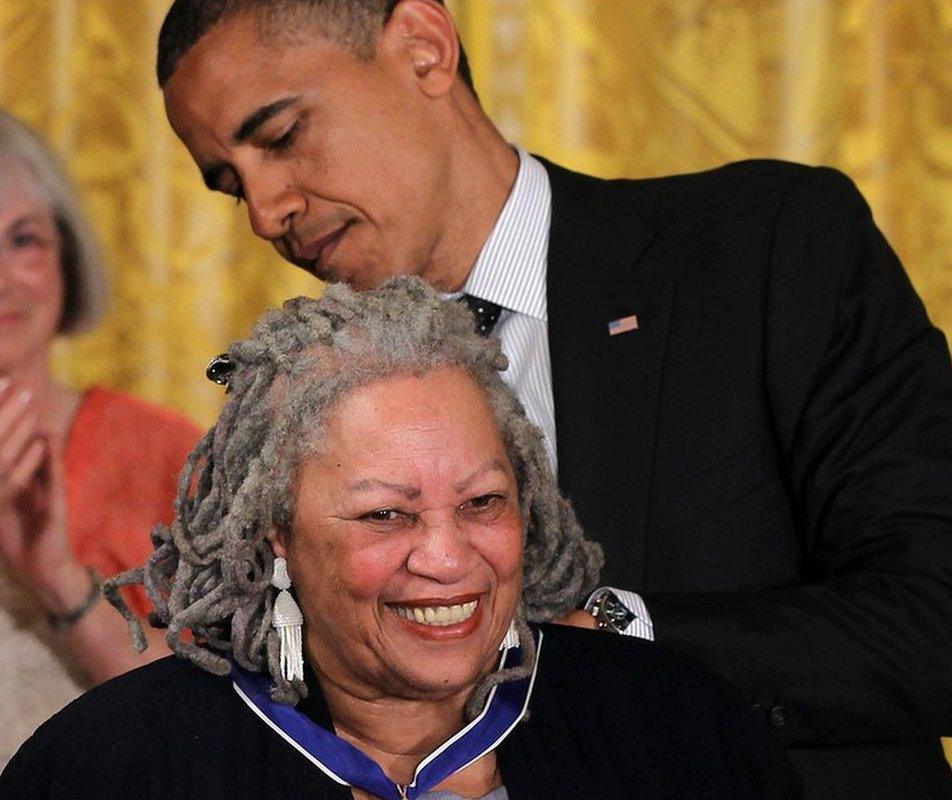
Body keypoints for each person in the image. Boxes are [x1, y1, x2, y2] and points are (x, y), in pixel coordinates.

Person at [150, 2, 952, 798]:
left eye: (283, 136)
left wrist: (604, 640)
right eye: (231, 186)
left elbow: (934, 615)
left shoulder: (765, 250)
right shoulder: (294, 401)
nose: (265, 212)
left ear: (423, 49)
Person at [0, 279, 803, 799]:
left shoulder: (677, 731)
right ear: (277, 533)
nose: (448, 559)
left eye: (484, 501)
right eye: (386, 515)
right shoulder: (117, 769)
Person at [0, 105, 202, 793]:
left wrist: (60, 582)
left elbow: (207, 729)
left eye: (22, 242)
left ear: (67, 255)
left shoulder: (168, 454)